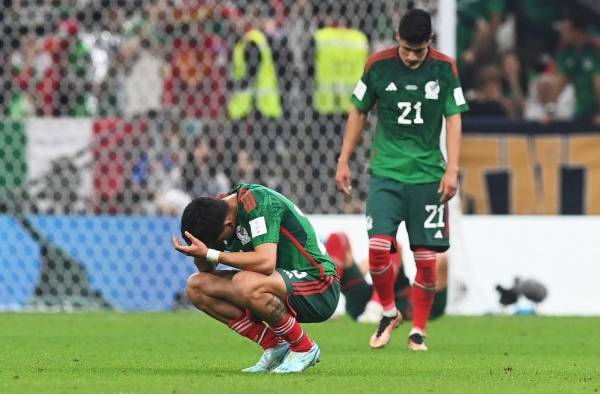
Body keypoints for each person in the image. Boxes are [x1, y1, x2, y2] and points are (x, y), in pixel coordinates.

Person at [335, 9, 468, 351]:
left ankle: (418, 330)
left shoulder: (444, 68)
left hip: (428, 177)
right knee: (378, 247)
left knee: (426, 259)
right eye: (407, 50)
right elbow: (358, 111)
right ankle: (389, 312)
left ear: (429, 43)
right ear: (397, 38)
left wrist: (452, 170)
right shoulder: (378, 65)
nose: (411, 57)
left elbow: (454, 120)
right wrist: (344, 160)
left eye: (418, 51)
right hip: (386, 173)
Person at [172, 183, 340, 373]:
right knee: (197, 286)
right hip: (276, 285)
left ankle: (305, 348)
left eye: (216, 241)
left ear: (228, 224)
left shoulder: (259, 203)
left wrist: (211, 252)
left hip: (318, 285)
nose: (218, 245)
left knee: (244, 282)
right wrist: (199, 249)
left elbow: (266, 263)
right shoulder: (217, 214)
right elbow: (207, 268)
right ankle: (275, 345)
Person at [325, 232, 447, 323]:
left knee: (391, 246)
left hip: (394, 306)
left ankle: (376, 306)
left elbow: (441, 263)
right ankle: (326, 302)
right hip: (366, 301)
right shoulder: (414, 289)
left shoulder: (432, 306)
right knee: (338, 238)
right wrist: (375, 264)